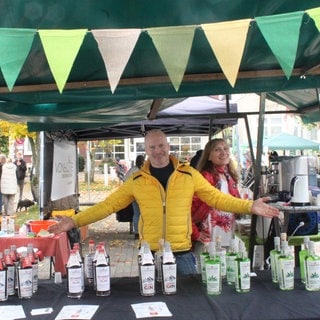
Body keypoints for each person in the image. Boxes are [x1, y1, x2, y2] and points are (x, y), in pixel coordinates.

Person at [49, 129, 279, 275]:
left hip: (182, 253)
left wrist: (250, 206)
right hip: (149, 255)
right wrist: (74, 221)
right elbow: (108, 205)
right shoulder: (137, 180)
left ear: (168, 146)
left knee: (189, 308)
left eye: (161, 146)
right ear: (146, 150)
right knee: (151, 307)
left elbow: (217, 198)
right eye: (152, 147)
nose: (157, 151)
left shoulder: (189, 175)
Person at [191, 139, 241, 270]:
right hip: (208, 240)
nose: (223, 152)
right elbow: (189, 208)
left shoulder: (230, 176)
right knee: (208, 275)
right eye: (217, 149)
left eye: (225, 148)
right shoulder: (204, 177)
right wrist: (195, 234)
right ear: (208, 156)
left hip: (227, 236)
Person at [124, 155, 145, 239]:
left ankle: (137, 232)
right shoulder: (145, 170)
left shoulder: (132, 170)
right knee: (144, 214)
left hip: (134, 195)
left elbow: (125, 179)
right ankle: (143, 231)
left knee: (136, 214)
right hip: (144, 195)